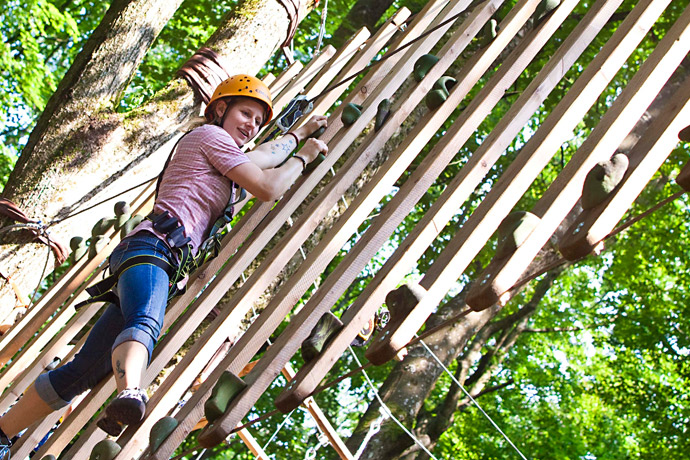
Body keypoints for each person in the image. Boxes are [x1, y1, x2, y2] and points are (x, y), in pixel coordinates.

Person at [0, 74, 328, 451]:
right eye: (246, 113)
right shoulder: (211, 137)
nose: (252, 125)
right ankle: (132, 392)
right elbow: (268, 186)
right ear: (220, 109)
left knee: (85, 370)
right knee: (145, 321)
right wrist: (304, 157)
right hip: (153, 250)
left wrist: (298, 134)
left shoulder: (224, 154)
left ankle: (2, 432)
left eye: (258, 120)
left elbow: (263, 157)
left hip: (153, 259)